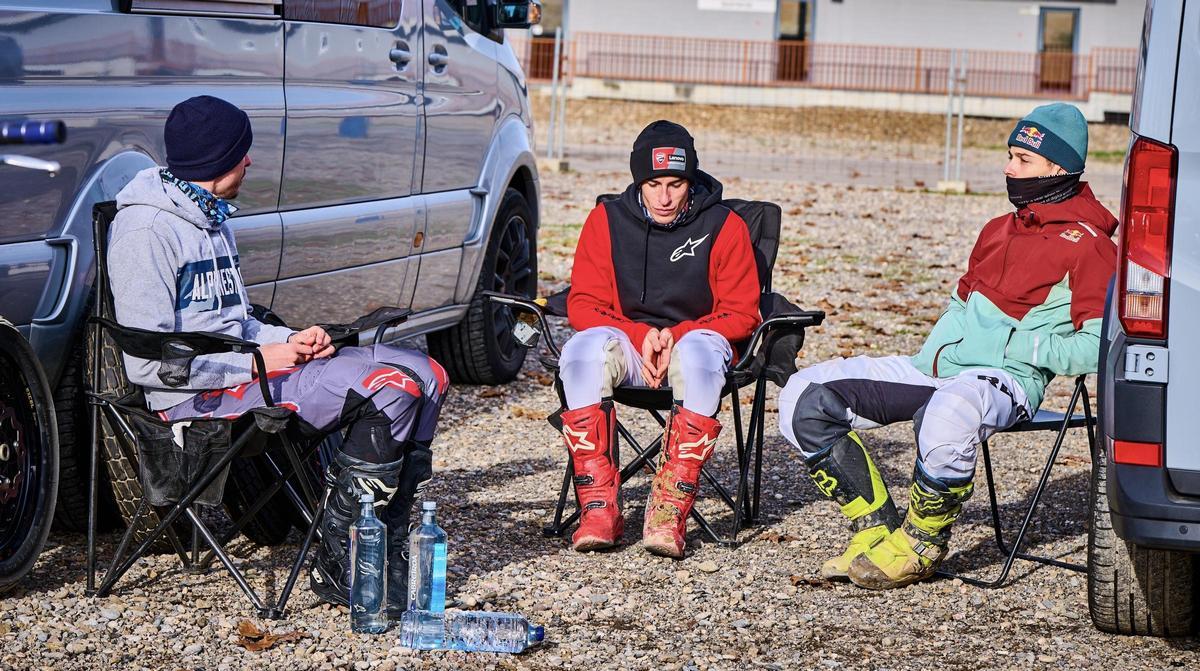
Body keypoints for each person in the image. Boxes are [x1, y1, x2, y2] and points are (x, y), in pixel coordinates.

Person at [107, 95, 448, 613]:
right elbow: (150, 362)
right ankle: (346, 562)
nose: (250, 161)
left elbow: (236, 323)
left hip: (244, 374)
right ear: (217, 159)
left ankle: (390, 541)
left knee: (427, 372)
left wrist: (289, 339)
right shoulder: (146, 232)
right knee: (388, 388)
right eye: (242, 152)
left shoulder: (212, 217)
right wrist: (257, 364)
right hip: (192, 400)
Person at [777, 102, 1117, 589]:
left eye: (1023, 159)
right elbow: (959, 305)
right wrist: (932, 355)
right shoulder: (998, 229)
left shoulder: (1090, 245)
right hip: (939, 370)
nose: (1008, 168)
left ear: (1058, 168)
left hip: (1006, 382)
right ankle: (876, 531)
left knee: (949, 410)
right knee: (803, 395)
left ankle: (922, 543)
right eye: (1009, 155)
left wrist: (1019, 346)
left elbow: (1096, 345)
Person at [558, 120, 761, 558]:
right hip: (631, 342)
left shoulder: (725, 227)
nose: (665, 197)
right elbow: (583, 304)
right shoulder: (606, 221)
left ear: (690, 181)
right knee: (581, 351)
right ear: (638, 182)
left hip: (697, 342)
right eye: (653, 184)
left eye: (675, 183)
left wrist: (677, 334)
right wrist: (640, 334)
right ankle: (598, 508)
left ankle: (670, 509)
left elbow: (743, 314)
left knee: (697, 353)